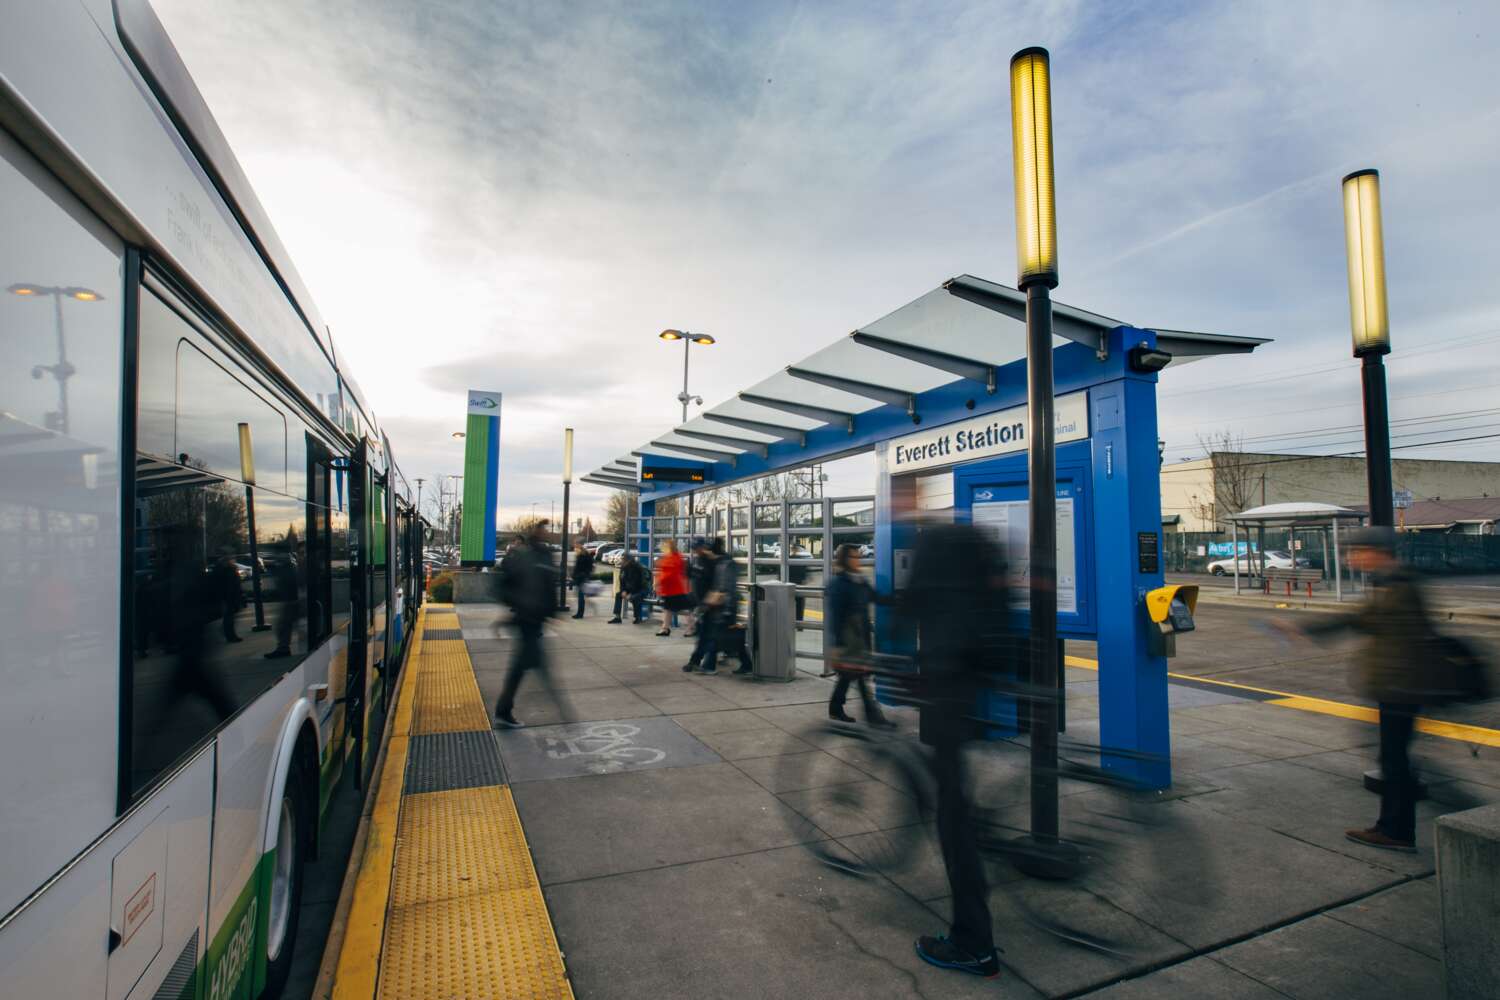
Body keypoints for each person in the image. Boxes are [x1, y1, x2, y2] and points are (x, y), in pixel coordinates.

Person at [1278, 526, 1439, 852]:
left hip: (1399, 687)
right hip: (1400, 686)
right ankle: (1392, 825)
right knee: (1393, 757)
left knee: (1394, 760)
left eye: (1357, 550)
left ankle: (1396, 831)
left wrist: (1302, 629)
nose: (1352, 558)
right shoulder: (1395, 583)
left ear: (1377, 552)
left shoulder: (1397, 586)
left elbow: (1359, 619)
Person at [905, 522, 1011, 979]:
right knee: (960, 797)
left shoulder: (930, 543)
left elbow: (910, 606)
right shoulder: (978, 539)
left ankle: (973, 943)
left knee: (954, 818)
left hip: (946, 684)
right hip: (980, 675)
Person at [494, 521, 558, 728]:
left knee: (527, 665)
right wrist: (519, 606)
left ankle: (505, 709)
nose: (547, 533)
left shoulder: (544, 555)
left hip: (536, 619)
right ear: (536, 532)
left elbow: (549, 586)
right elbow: (504, 585)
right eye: (544, 529)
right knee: (524, 666)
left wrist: (551, 610)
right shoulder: (524, 556)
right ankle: (504, 711)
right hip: (527, 619)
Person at [825, 543, 889, 726]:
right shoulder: (838, 583)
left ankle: (837, 709)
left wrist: (897, 600)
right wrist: (837, 644)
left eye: (858, 556)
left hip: (859, 637)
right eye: (853, 557)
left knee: (850, 676)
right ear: (844, 560)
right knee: (856, 676)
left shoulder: (860, 580)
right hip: (848, 638)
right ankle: (872, 716)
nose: (857, 560)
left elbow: (875, 597)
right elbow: (836, 617)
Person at [684, 538, 753, 676]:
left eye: (705, 549)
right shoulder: (716, 562)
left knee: (717, 636)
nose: (702, 552)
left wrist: (711, 603)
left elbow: (723, 588)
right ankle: (745, 665)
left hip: (724, 607)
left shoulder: (725, 564)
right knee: (718, 636)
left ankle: (708, 665)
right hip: (718, 606)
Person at [653, 538, 692, 636]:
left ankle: (691, 627)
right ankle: (665, 628)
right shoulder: (672, 557)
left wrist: (658, 582)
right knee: (669, 609)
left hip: (675, 590)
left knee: (679, 609)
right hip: (671, 590)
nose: (662, 548)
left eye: (664, 546)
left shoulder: (674, 558)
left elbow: (670, 574)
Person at [213, 549, 245, 643]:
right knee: (229, 616)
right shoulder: (223, 567)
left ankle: (229, 633)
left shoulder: (228, 567)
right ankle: (230, 635)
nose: (232, 558)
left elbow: (235, 581)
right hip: (227, 595)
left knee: (230, 616)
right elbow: (221, 583)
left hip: (231, 595)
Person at [608, 552, 648, 624]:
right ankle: (617, 617)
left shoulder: (637, 568)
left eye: (624, 560)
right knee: (618, 595)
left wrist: (631, 593)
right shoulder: (623, 568)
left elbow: (638, 583)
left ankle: (637, 617)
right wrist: (623, 591)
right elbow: (622, 581)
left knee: (635, 597)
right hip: (630, 589)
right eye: (622, 559)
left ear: (629, 560)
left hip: (641, 589)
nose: (622, 561)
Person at [685, 538, 712, 637]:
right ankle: (693, 628)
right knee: (690, 608)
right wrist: (688, 570)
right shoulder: (697, 559)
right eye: (694, 549)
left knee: (703, 614)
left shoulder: (709, 560)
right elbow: (692, 575)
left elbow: (709, 577)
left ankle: (698, 629)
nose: (695, 551)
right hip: (696, 592)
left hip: (705, 594)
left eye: (696, 548)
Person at [569, 541, 595, 619]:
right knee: (580, 596)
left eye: (575, 547)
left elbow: (588, 567)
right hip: (580, 578)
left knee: (580, 596)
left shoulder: (583, 555)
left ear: (579, 546)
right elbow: (577, 568)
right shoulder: (580, 555)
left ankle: (580, 614)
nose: (574, 549)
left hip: (582, 578)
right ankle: (582, 610)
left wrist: (584, 575)